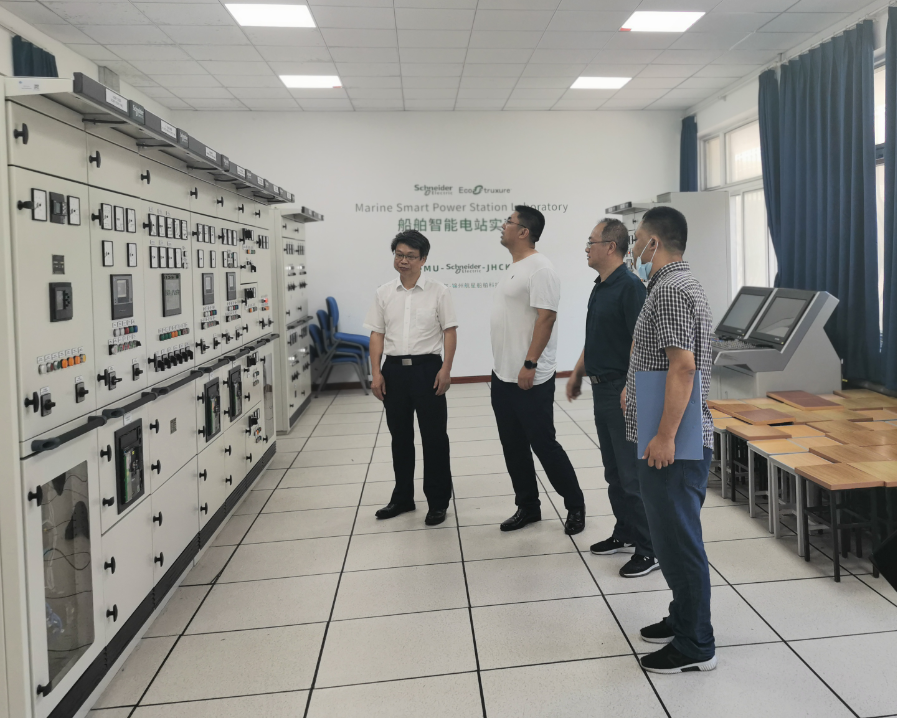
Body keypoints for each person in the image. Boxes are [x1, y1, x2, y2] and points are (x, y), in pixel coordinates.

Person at [623, 206, 717, 674]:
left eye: (637, 239)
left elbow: (682, 367)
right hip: (669, 436)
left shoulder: (671, 290)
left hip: (674, 444)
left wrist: (664, 436)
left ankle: (695, 644)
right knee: (670, 538)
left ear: (653, 243)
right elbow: (663, 359)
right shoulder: (671, 285)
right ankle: (683, 617)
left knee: (679, 543)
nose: (633, 248)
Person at [566, 218, 657, 578]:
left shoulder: (630, 287)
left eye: (591, 242)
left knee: (631, 475)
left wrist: (630, 386)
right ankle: (626, 532)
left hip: (620, 389)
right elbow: (596, 337)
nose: (587, 248)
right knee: (614, 471)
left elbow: (641, 341)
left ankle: (650, 549)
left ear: (610, 246)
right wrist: (577, 372)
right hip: (601, 388)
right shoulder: (601, 286)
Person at [490, 205, 586, 535]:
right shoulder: (516, 266)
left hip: (529, 375)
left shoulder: (541, 268)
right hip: (503, 374)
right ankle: (528, 506)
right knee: (513, 445)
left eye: (508, 221)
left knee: (543, 444)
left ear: (523, 232)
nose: (503, 225)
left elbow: (547, 318)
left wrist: (530, 363)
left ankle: (575, 505)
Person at [364, 230, 458, 526]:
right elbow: (377, 334)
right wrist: (376, 372)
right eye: (399, 255)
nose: (403, 261)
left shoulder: (439, 291)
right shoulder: (384, 292)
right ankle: (403, 497)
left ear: (423, 260)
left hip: (428, 369)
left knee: (434, 438)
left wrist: (446, 369)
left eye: (410, 256)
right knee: (400, 437)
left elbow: (450, 331)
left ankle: (438, 501)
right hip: (394, 371)